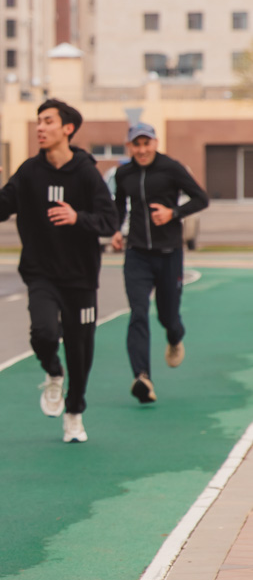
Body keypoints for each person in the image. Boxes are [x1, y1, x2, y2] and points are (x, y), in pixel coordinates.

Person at [0, 98, 117, 443]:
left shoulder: (87, 173)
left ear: (68, 129)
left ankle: (75, 412)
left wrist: (77, 217)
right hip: (40, 272)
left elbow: (110, 221)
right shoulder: (29, 171)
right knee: (43, 332)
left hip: (81, 277)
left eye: (48, 121)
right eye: (38, 121)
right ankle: (54, 373)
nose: (40, 127)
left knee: (80, 349)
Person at [111, 122, 209, 404]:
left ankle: (175, 338)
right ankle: (142, 378)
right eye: (137, 144)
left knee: (168, 317)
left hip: (169, 254)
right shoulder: (124, 173)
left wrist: (172, 213)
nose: (142, 150)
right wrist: (116, 229)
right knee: (138, 313)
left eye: (147, 143)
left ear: (155, 143)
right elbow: (120, 205)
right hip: (137, 254)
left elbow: (201, 199)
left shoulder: (171, 168)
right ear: (129, 146)